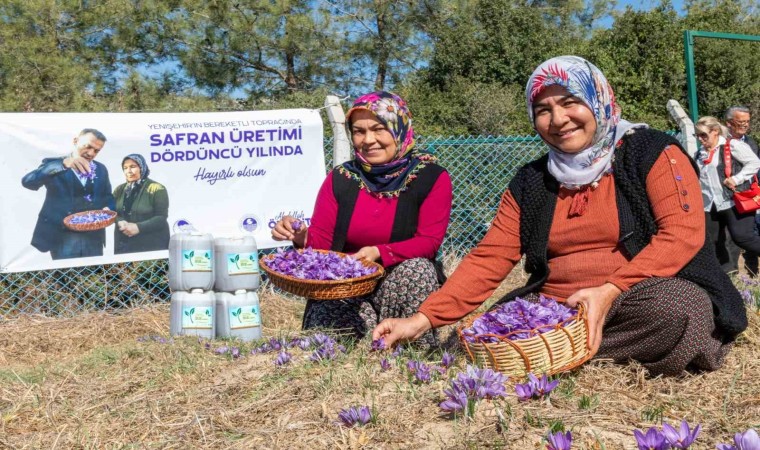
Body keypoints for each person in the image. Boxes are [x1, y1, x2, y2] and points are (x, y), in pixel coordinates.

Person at [372, 56, 748, 376]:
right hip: (558, 309)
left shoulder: (648, 151)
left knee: (680, 310)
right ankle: (561, 346)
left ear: (598, 99)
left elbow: (681, 233)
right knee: (473, 334)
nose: (558, 119)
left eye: (570, 102)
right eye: (543, 110)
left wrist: (609, 291)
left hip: (635, 297)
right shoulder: (532, 181)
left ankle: (552, 353)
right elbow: (490, 257)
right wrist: (423, 319)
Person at [272, 91, 453, 344]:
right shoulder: (341, 179)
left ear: (399, 128)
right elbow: (323, 242)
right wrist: (301, 236)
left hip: (398, 284)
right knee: (325, 344)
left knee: (418, 269)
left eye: (379, 129)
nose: (368, 140)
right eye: (358, 131)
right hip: (347, 288)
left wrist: (378, 252)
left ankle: (412, 347)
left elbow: (429, 241)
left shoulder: (430, 177)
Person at [22, 129, 115, 260]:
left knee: (92, 276)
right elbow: (28, 182)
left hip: (93, 237)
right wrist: (63, 164)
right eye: (88, 146)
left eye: (96, 150)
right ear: (76, 141)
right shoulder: (54, 164)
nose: (91, 153)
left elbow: (108, 196)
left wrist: (109, 208)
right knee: (65, 277)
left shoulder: (101, 169)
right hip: (62, 236)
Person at [695, 116, 760, 270]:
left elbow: (755, 162)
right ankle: (728, 277)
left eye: (703, 134)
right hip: (710, 205)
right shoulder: (699, 153)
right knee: (714, 242)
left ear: (715, 131)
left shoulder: (731, 146)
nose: (700, 138)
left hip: (733, 201)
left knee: (743, 238)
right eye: (697, 135)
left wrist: (737, 179)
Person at [725, 106, 759, 275]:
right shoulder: (721, 142)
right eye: (741, 122)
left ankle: (752, 273)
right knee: (730, 238)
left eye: (747, 122)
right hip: (728, 197)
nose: (745, 125)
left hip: (748, 196)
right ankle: (732, 274)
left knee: (747, 235)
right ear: (729, 123)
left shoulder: (750, 142)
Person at [113, 153, 170, 254]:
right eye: (125, 168)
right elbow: (112, 212)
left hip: (151, 245)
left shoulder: (157, 188)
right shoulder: (119, 190)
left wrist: (138, 227)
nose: (128, 171)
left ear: (142, 167)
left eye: (133, 167)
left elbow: (161, 218)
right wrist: (120, 221)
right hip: (124, 244)